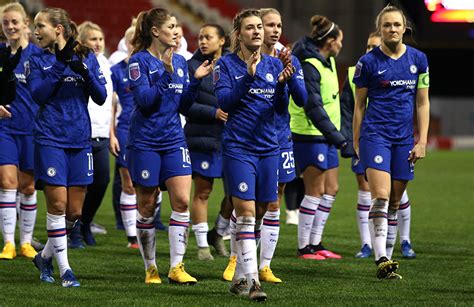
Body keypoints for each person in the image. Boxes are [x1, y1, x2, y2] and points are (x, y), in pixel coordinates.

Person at [127, 8, 213, 285]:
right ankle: (150, 268)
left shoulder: (179, 62)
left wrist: (195, 81)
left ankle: (177, 266)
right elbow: (145, 101)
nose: (177, 31)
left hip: (174, 140)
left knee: (181, 201)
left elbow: (183, 105)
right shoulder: (138, 62)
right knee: (148, 204)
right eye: (172, 26)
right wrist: (164, 73)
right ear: (155, 31)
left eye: (177, 26)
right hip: (145, 142)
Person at [214, 8, 295, 301]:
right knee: (246, 214)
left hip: (269, 149)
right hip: (239, 149)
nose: (258, 32)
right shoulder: (225, 65)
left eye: (259, 27)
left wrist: (284, 85)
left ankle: (238, 277)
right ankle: (252, 282)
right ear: (238, 34)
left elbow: (279, 110)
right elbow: (225, 101)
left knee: (260, 213)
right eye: (250, 28)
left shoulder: (274, 65)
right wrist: (247, 78)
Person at [28, 7, 107, 287]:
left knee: (74, 212)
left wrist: (84, 71)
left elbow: (100, 96)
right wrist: (61, 65)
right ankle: (65, 270)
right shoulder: (36, 59)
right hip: (50, 138)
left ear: (58, 29)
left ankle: (45, 257)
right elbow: (38, 95)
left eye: (41, 26)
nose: (36, 31)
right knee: (58, 205)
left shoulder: (86, 55)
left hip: (80, 139)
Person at [352, 5, 430, 279]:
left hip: (404, 139)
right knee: (381, 197)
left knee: (395, 201)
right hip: (375, 136)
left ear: (404, 28)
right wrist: (357, 141)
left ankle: (388, 255)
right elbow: (359, 106)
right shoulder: (368, 63)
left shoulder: (419, 59)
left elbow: (422, 102)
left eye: (397, 25)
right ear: (380, 29)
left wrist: (421, 141)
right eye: (387, 25)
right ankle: (381, 258)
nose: (392, 29)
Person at [340, 32, 417, 259]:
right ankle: (368, 245)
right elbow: (350, 108)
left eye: (374, 46)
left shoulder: (402, 67)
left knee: (397, 196)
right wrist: (351, 140)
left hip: (397, 139)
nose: (369, 50)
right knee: (369, 194)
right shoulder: (358, 71)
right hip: (368, 139)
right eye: (367, 46)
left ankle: (405, 240)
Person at [289, 15, 346, 260]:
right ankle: (304, 247)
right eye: (339, 40)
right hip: (310, 133)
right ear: (330, 41)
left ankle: (317, 242)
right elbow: (313, 106)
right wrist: (337, 137)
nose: (341, 45)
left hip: (328, 135)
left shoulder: (328, 62)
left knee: (331, 188)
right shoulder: (310, 64)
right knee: (314, 190)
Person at [257, 7, 306, 282]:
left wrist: (289, 73)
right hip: (249, 140)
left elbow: (302, 99)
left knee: (275, 199)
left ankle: (265, 265)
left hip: (279, 137)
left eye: (279, 25)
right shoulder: (244, 60)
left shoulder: (290, 59)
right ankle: (235, 259)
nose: (275, 30)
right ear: (256, 28)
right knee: (246, 202)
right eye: (270, 25)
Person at [183, 23, 229, 261]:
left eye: (208, 37)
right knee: (203, 191)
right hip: (202, 136)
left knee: (235, 194)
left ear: (222, 40)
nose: (202, 41)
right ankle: (202, 246)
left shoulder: (234, 63)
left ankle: (218, 233)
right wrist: (213, 113)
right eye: (200, 37)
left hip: (231, 139)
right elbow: (184, 103)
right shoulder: (191, 66)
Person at [0, 2, 41, 260]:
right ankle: (8, 243)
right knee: (7, 183)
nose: (10, 27)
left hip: (33, 130)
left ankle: (25, 242)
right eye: (5, 23)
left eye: (15, 22)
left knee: (27, 187)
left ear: (26, 23)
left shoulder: (38, 56)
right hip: (5, 129)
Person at [70, 21, 113, 247]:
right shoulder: (79, 63)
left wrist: (112, 133)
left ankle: (86, 222)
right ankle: (74, 229)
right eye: (92, 39)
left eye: (100, 39)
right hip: (83, 131)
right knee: (81, 184)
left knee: (102, 180)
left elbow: (110, 103)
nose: (98, 44)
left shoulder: (105, 64)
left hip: (103, 133)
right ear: (82, 43)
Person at [109, 26, 141, 248]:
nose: (135, 46)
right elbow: (110, 106)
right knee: (128, 183)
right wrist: (111, 134)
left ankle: (145, 224)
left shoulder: (153, 67)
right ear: (127, 44)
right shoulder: (116, 71)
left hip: (149, 131)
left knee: (152, 184)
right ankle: (132, 237)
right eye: (132, 42)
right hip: (124, 130)